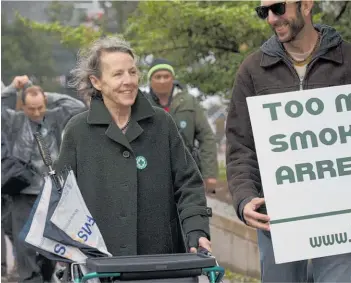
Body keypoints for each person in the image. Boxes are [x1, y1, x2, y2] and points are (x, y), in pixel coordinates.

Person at [225, 1, 351, 282]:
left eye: (279, 8)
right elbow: (240, 146)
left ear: (306, 4)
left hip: (341, 212)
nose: (272, 18)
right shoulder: (252, 69)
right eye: (264, 12)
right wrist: (245, 198)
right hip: (277, 217)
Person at [54, 36, 212, 258]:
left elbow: (188, 183)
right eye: (118, 74)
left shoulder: (161, 124)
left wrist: (197, 230)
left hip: (160, 261)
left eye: (132, 72)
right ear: (97, 82)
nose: (128, 80)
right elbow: (62, 196)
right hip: (100, 262)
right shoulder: (78, 131)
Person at [1, 77, 86, 283]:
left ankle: (47, 276)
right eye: (31, 109)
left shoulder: (54, 117)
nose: (37, 113)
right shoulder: (14, 120)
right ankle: (30, 279)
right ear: (23, 107)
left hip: (51, 191)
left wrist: (48, 95)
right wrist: (13, 88)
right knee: (24, 244)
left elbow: (78, 106)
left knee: (50, 241)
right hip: (23, 192)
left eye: (40, 107)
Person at [145, 58, 218, 193]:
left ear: (172, 78)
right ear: (150, 80)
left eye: (166, 76)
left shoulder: (189, 102)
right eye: (157, 77)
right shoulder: (141, 104)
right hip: (150, 173)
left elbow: (207, 137)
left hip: (186, 172)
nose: (162, 80)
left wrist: (210, 174)